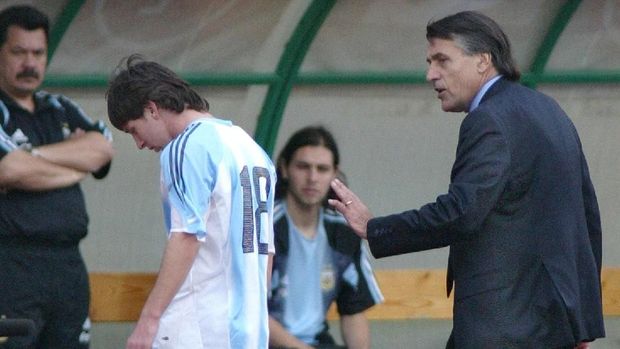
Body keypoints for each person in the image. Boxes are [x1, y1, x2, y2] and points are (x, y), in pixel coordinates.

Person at [328, 11, 605, 349]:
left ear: (483, 61)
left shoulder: (488, 119)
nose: (431, 74)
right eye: (430, 61)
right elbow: (585, 217)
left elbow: (462, 212)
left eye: (442, 60)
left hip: (502, 328)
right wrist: (582, 323)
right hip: (552, 324)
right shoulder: (549, 110)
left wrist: (375, 227)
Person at [106, 54, 276, 349]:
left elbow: (186, 236)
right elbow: (267, 252)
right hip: (250, 331)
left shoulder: (185, 147)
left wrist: (149, 320)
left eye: (134, 129)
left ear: (152, 109)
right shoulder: (252, 150)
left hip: (197, 328)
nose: (140, 143)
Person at [0, 5, 114, 349]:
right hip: (13, 265)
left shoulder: (60, 108)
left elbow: (104, 149)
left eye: (38, 53)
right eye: (19, 52)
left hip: (68, 266)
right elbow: (8, 169)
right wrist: (74, 165)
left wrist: (32, 156)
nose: (30, 63)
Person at [268, 126, 383, 349]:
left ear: (334, 173)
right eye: (303, 167)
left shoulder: (344, 232)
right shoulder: (264, 228)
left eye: (322, 169)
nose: (312, 178)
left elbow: (353, 310)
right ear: (284, 168)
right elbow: (251, 313)